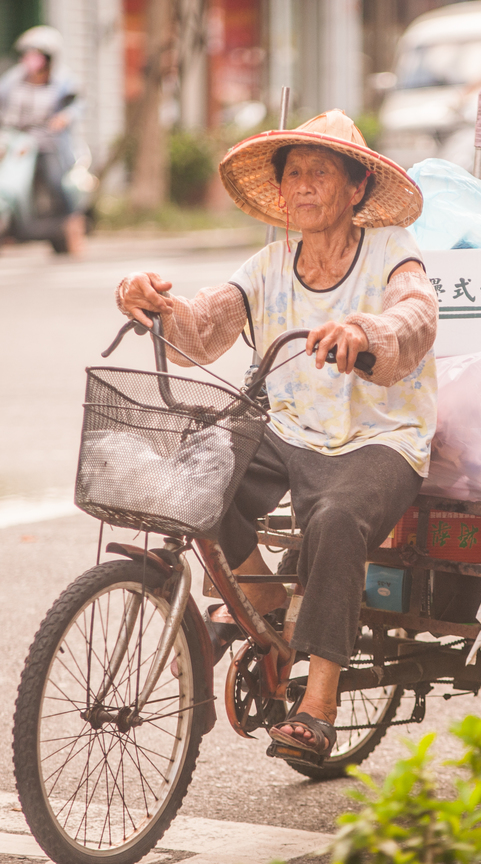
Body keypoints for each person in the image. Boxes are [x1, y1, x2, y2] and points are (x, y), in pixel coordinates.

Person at [114, 110, 438, 762]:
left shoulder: (390, 250)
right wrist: (150, 300)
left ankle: (317, 705)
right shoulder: (268, 265)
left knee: (337, 519)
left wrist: (367, 334)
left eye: (322, 172)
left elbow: (416, 313)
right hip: (289, 429)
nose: (306, 185)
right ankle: (261, 598)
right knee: (196, 469)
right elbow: (204, 324)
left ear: (357, 189)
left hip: (380, 436)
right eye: (295, 174)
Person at [0, 26, 85, 254]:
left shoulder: (63, 81)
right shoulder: (12, 79)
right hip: (14, 141)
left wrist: (63, 118)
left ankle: (72, 226)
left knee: (57, 181)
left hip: (47, 142)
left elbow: (76, 106)